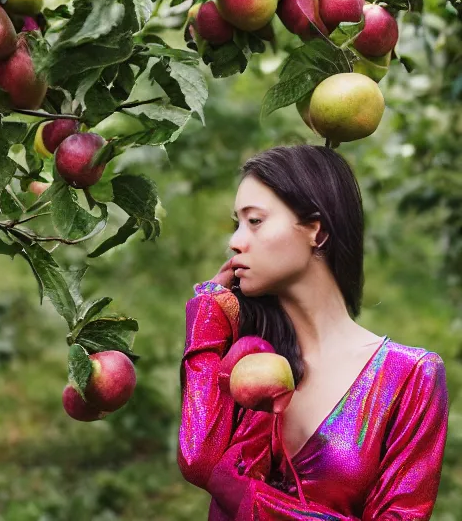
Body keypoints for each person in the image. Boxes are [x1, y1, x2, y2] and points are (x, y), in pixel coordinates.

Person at [177, 144, 449, 520]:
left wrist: (251, 501)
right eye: (236, 224)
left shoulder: (410, 376)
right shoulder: (245, 358)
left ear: (316, 232)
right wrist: (208, 315)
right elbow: (199, 460)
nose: (236, 241)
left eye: (254, 221)